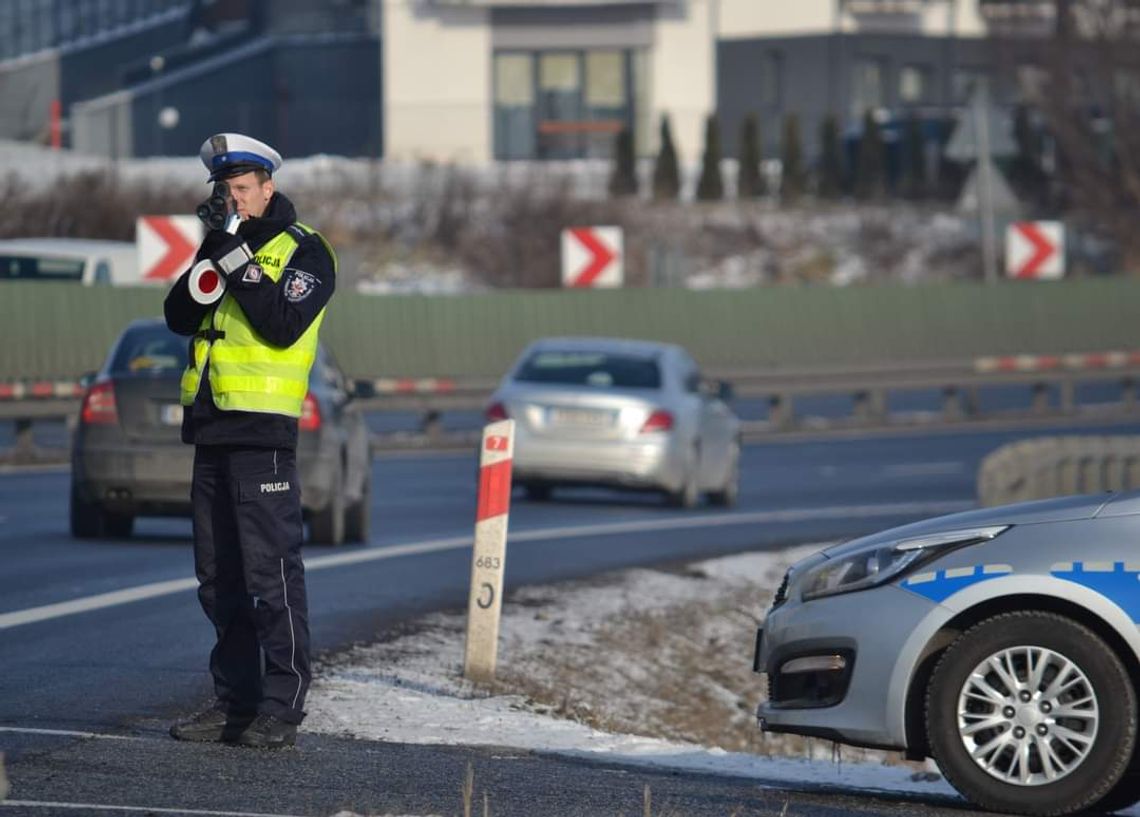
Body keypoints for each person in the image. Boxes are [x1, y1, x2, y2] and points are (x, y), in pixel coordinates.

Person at [164, 133, 336, 749]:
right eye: (224, 192)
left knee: (271, 573)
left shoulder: (306, 251)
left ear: (268, 188)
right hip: (210, 428)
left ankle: (281, 706)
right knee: (218, 579)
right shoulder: (223, 244)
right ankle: (233, 701)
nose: (233, 200)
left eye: (242, 190)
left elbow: (282, 325)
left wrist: (233, 254)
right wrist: (214, 249)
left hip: (262, 431)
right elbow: (179, 316)